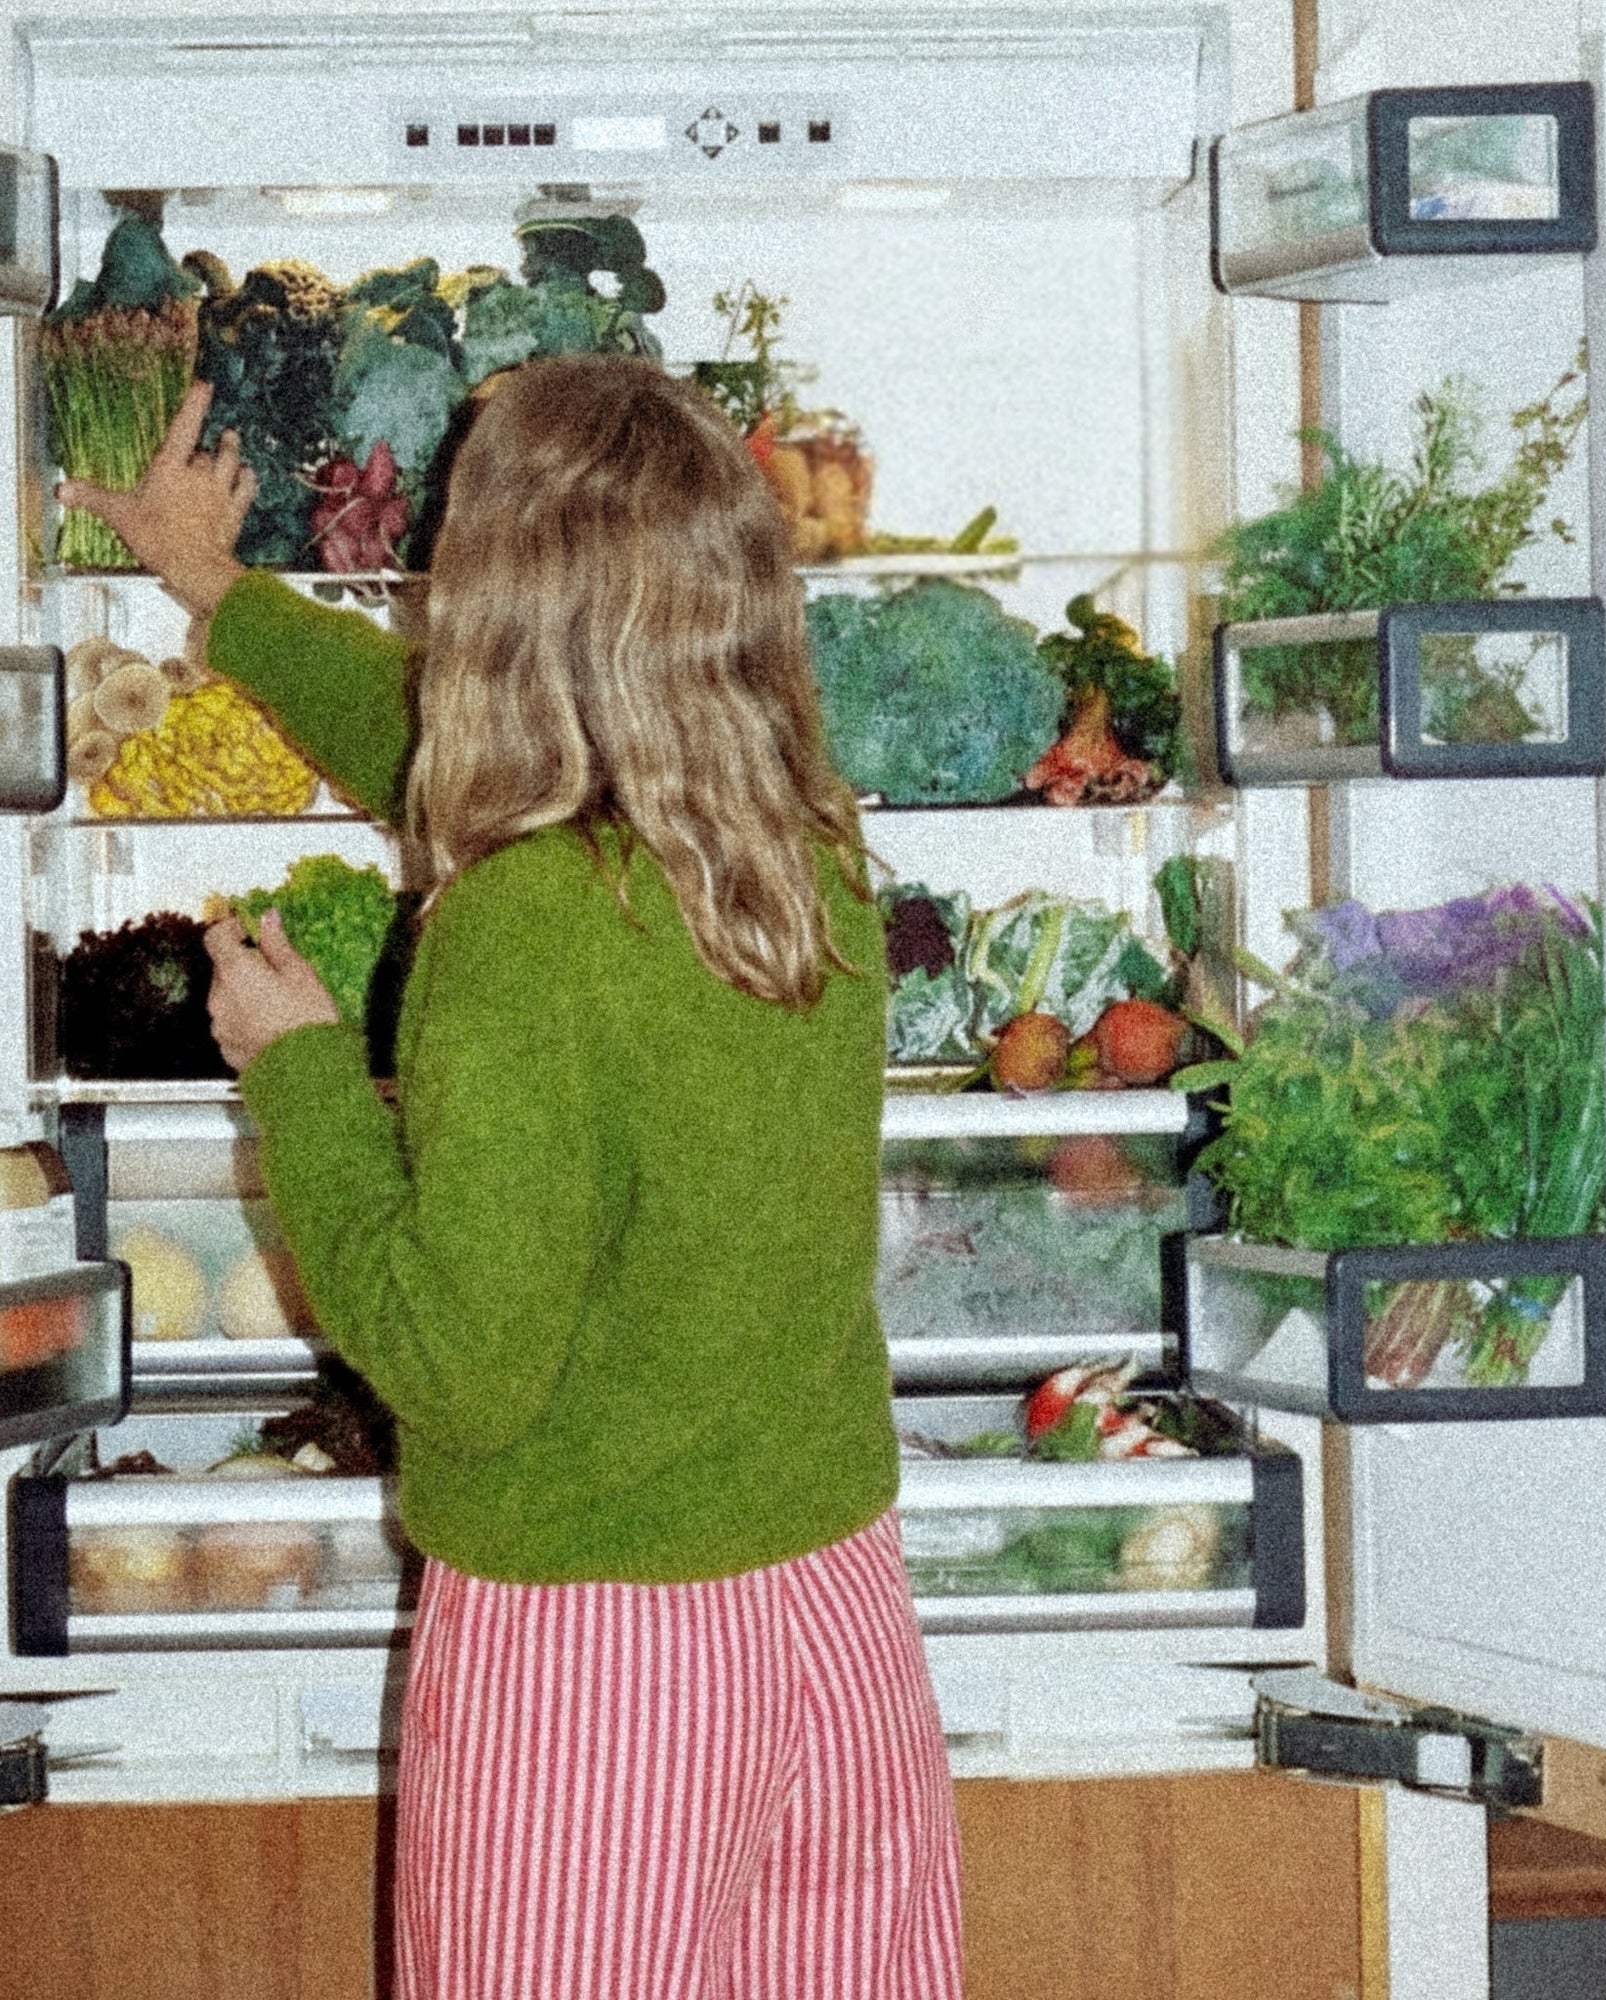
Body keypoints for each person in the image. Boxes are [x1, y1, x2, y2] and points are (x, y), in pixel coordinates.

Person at [59, 363, 964, 2000]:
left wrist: (301, 1073)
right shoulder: (797, 853)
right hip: (832, 1615)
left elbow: (460, 1368)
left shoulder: (523, 934)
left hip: (598, 1663)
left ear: (495, 606)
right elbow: (441, 749)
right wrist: (225, 596)